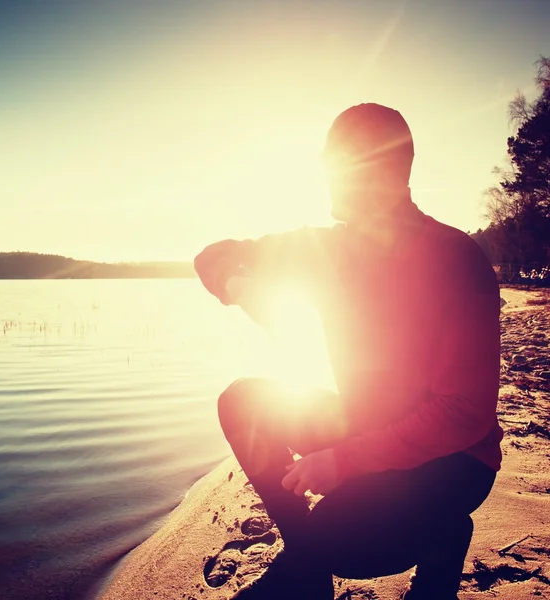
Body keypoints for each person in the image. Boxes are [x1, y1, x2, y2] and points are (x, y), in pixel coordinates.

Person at [194, 103, 502, 600]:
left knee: (343, 547)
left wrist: (343, 461)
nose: (325, 175)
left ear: (373, 169)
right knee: (242, 402)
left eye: (333, 162)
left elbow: (464, 415)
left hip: (454, 460)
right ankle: (309, 570)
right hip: (368, 424)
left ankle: (441, 536)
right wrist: (238, 285)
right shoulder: (327, 249)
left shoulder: (456, 259)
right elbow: (213, 255)